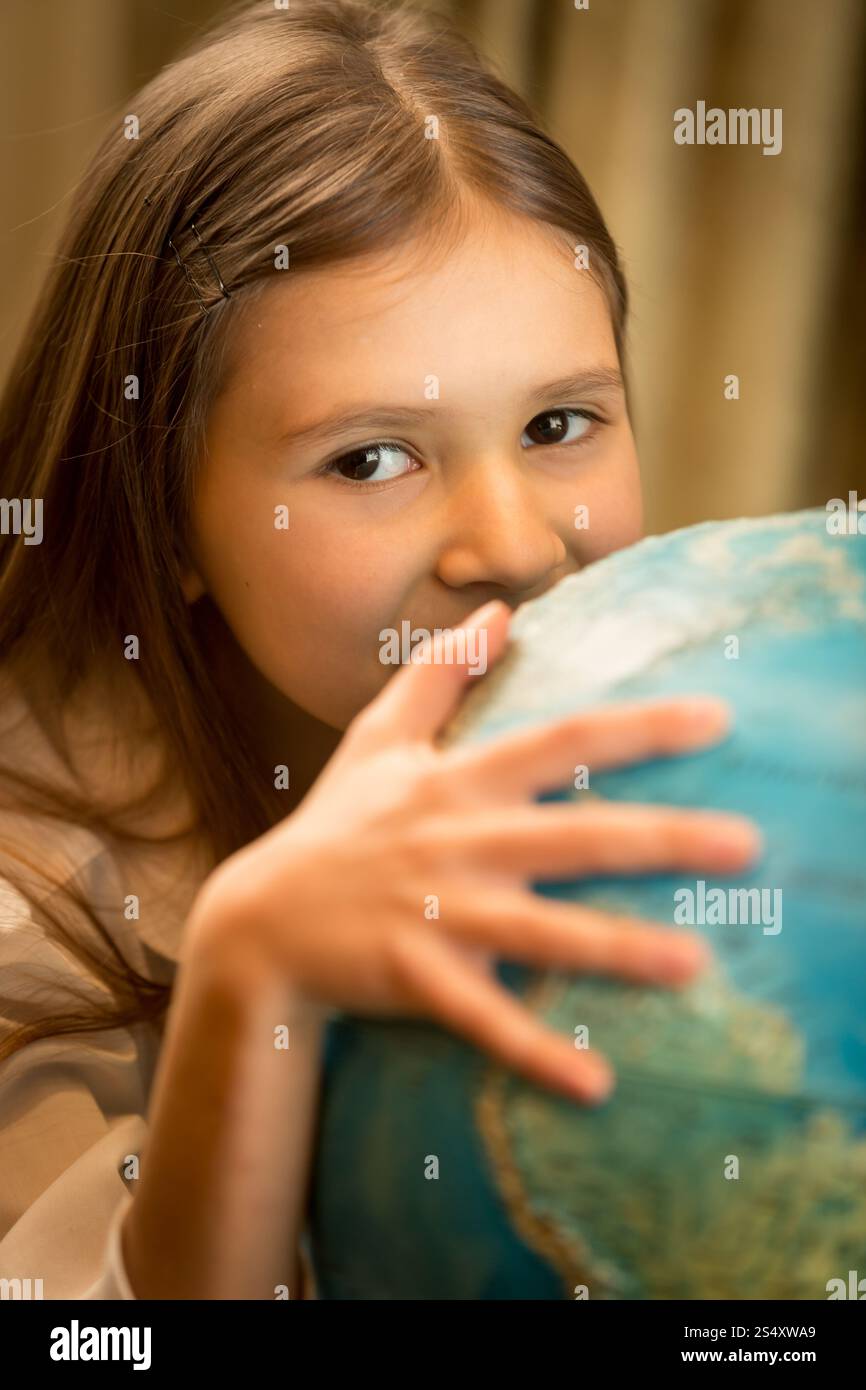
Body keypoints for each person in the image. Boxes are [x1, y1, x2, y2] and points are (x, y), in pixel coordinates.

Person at [0, 0, 760, 1300]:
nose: (513, 544)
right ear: (162, 514)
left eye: (560, 422)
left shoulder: (684, 750)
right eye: (370, 457)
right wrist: (256, 971)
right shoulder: (34, 923)